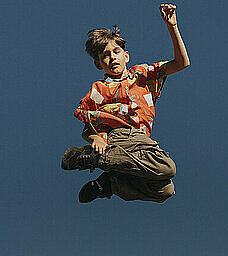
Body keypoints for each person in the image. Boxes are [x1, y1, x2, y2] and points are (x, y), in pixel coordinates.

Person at [61, 4, 190, 203]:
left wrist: (172, 26)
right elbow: (87, 123)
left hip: (141, 142)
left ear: (126, 55)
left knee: (165, 189)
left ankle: (110, 184)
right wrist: (97, 140)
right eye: (105, 55)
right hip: (119, 137)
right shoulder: (100, 88)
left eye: (116, 52)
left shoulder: (142, 75)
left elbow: (181, 63)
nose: (112, 57)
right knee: (167, 167)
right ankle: (95, 158)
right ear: (98, 63)